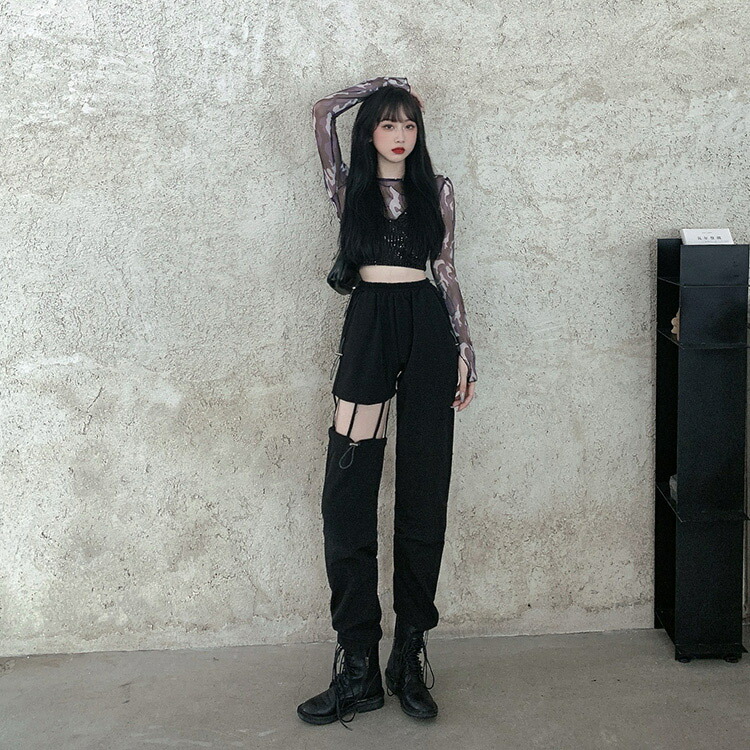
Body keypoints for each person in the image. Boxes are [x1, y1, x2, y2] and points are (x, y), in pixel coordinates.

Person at [297, 76, 478, 729]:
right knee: (346, 493)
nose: (400, 135)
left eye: (409, 124)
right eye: (387, 123)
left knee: (425, 488)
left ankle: (408, 653)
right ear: (370, 130)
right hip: (370, 324)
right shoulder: (350, 189)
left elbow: (446, 269)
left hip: (427, 330)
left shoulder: (438, 190)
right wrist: (383, 86)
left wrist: (465, 347)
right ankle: (358, 665)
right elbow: (323, 112)